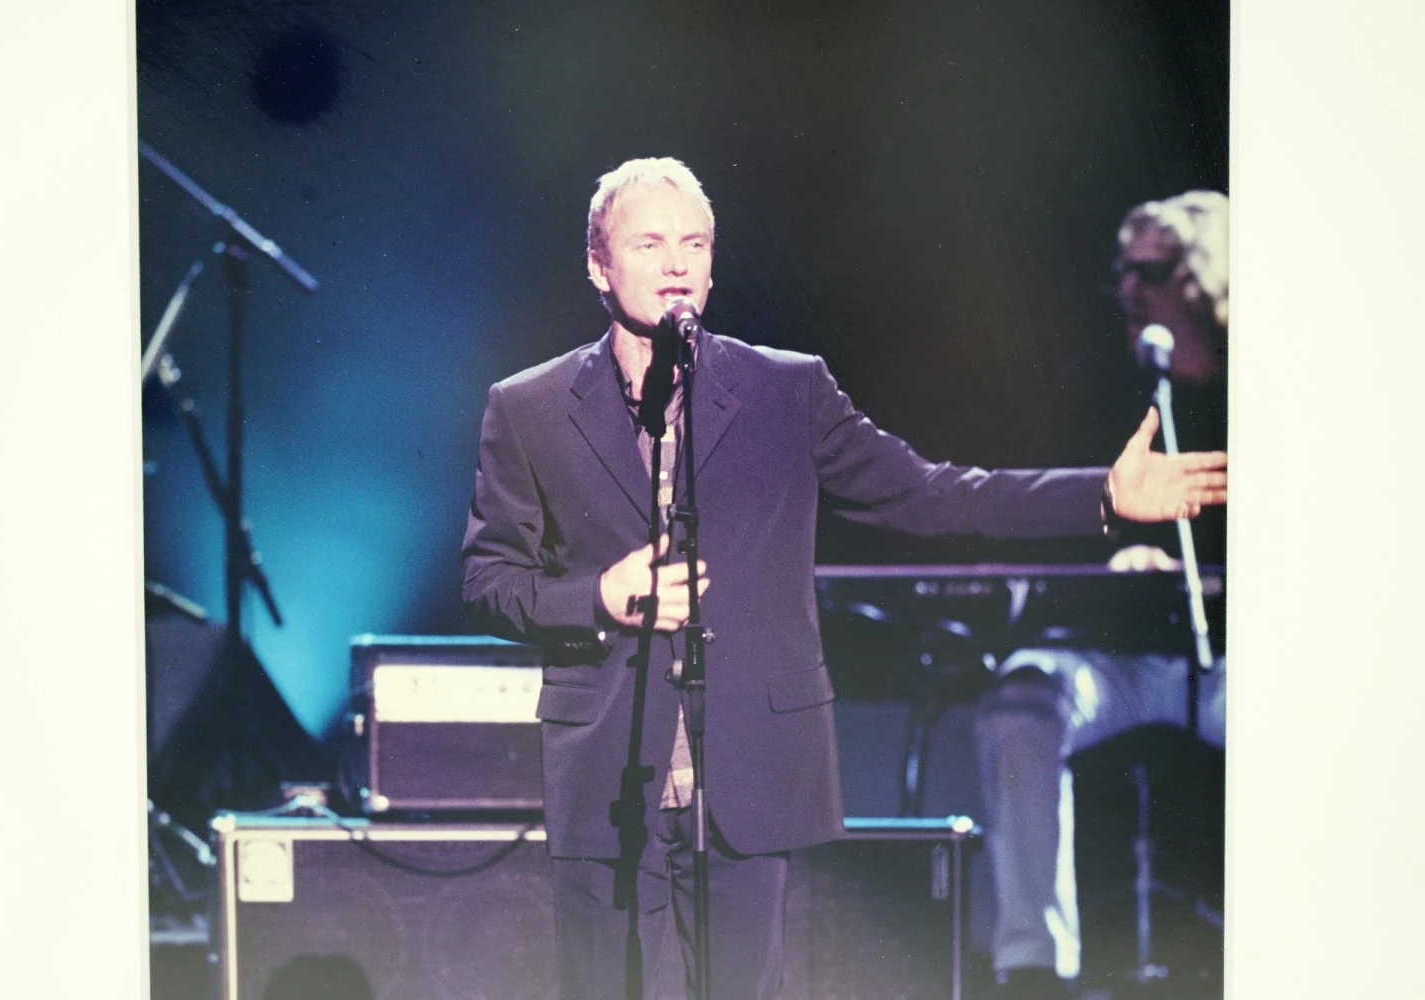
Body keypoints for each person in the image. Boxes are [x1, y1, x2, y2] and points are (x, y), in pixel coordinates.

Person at [460, 158, 1227, 1000]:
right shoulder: (527, 406)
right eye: (650, 243)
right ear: (599, 266)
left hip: (743, 781)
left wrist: (1101, 498)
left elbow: (932, 496)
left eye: (695, 244)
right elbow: (491, 578)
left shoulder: (785, 389)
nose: (677, 263)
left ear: (713, 267)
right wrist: (599, 599)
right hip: (609, 785)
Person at [974, 191, 1230, 999]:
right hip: (1106, 654)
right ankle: (1033, 964)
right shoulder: (1091, 386)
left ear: (1208, 281)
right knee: (1018, 710)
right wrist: (1112, 550)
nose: (1129, 291)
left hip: (1225, 654)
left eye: (1151, 272)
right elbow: (1045, 515)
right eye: (1122, 273)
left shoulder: (1267, 389)